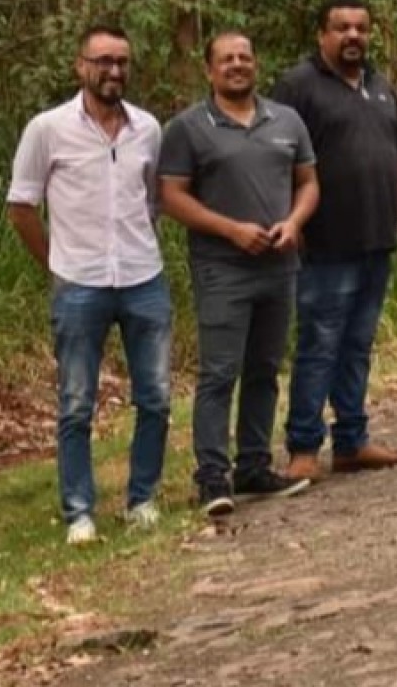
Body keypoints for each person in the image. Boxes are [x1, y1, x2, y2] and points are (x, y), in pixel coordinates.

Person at [7, 25, 171, 545]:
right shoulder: (48, 128)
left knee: (158, 397)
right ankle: (80, 511)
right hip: (78, 283)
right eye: (103, 61)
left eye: (122, 61)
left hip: (144, 277)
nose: (114, 71)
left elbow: (153, 203)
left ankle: (141, 498)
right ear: (81, 66)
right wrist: (56, 262)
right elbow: (21, 206)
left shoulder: (148, 129)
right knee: (77, 403)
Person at [160, 31, 318, 516]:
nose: (236, 65)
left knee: (265, 370)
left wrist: (293, 223)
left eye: (244, 57)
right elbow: (171, 196)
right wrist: (230, 230)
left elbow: (309, 183)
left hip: (279, 265)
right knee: (219, 374)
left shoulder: (285, 120)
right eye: (225, 59)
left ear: (256, 64)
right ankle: (213, 477)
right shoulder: (189, 127)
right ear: (209, 70)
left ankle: (253, 466)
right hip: (222, 268)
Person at [273, 0, 397, 483]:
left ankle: (353, 440)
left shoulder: (381, 87)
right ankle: (302, 446)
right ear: (323, 35)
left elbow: (396, 159)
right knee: (319, 344)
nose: (353, 36)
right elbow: (277, 159)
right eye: (342, 28)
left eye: (361, 27)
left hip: (375, 239)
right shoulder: (298, 86)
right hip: (323, 243)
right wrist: (289, 222)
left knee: (357, 344)